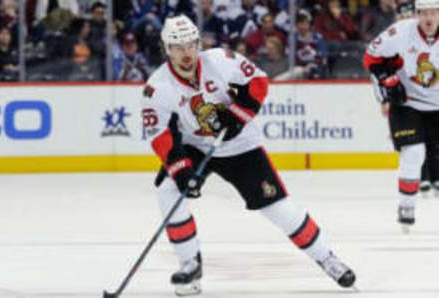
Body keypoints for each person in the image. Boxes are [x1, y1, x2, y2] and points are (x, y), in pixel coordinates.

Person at [141, 14, 356, 296]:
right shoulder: (157, 88)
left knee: (278, 208)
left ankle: (327, 258)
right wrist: (181, 169)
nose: (186, 53)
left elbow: (258, 80)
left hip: (240, 144)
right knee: (169, 190)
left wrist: (238, 115)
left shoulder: (219, 60)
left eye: (191, 45)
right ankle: (190, 264)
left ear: (198, 43)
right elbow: (161, 135)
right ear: (166, 49)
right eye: (178, 47)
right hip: (194, 145)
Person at [363, 0, 439, 231]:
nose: (428, 18)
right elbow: (371, 58)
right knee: (413, 153)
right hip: (407, 103)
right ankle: (406, 206)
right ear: (416, 14)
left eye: (434, 13)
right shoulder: (400, 32)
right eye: (423, 13)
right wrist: (387, 79)